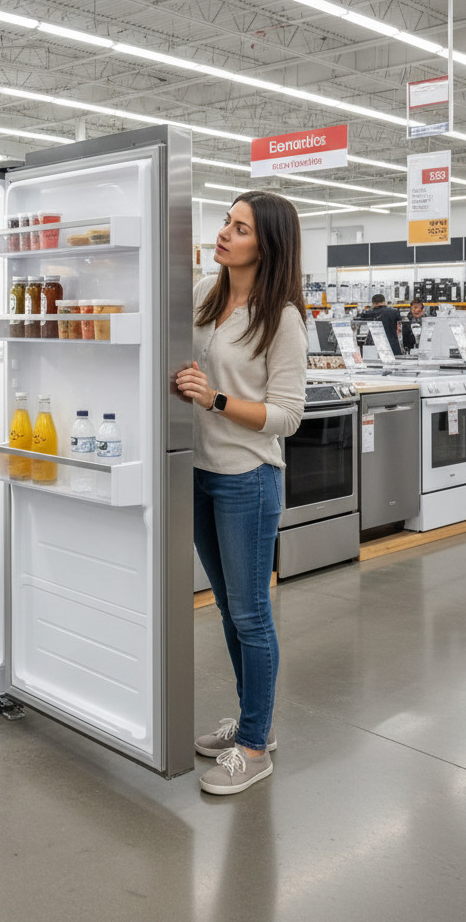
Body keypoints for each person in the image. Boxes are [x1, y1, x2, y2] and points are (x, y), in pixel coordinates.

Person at [175, 191, 306, 795]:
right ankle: (252, 721)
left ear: (267, 244)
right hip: (197, 473)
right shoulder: (207, 291)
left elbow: (287, 417)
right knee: (230, 611)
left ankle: (255, 745)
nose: (225, 233)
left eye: (241, 228)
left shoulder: (280, 317)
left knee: (251, 615)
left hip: (247, 479)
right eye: (226, 222)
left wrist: (215, 399)